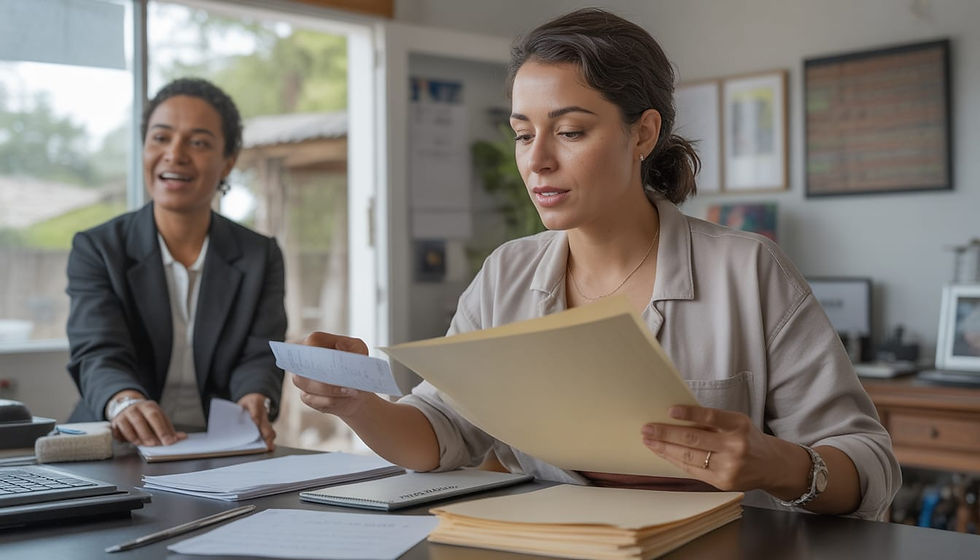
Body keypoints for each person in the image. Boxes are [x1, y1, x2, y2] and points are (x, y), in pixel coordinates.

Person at [293, 8, 900, 519]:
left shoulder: (750, 271)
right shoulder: (507, 273)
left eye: (571, 131)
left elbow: (869, 462)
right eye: (524, 134)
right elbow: (442, 432)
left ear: (643, 135)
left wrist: (781, 463)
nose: (538, 162)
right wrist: (357, 403)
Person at [66, 78, 286, 450]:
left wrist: (255, 397)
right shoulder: (98, 248)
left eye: (198, 142)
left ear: (228, 162)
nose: (175, 153)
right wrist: (126, 401)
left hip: (220, 447)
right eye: (161, 138)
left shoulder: (259, 255)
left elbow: (260, 355)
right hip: (116, 445)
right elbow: (98, 351)